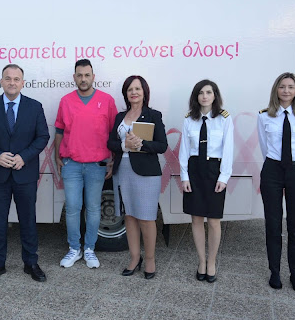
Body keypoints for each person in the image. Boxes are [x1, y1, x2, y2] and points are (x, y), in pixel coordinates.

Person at [0, 64, 50, 283]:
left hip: (24, 174)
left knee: (28, 220)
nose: (12, 82)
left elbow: (42, 137)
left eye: (16, 79)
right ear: (1, 81)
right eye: (8, 78)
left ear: (23, 83)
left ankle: (31, 263)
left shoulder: (34, 107)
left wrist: (24, 157)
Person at [55, 59, 118, 269]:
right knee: (73, 208)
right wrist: (57, 156)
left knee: (93, 208)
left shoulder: (107, 101)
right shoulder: (66, 101)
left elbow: (113, 133)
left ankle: (89, 248)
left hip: (97, 165)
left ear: (93, 77)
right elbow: (59, 130)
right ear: (74, 77)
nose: (83, 79)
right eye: (80, 75)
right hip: (71, 163)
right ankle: (74, 248)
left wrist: (112, 159)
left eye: (87, 75)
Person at [258, 72, 295, 292]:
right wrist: (276, 164)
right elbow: (264, 146)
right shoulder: (264, 116)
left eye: (291, 87)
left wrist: (294, 163)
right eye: (282, 86)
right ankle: (275, 272)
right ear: (276, 90)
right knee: (273, 225)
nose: (286, 91)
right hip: (272, 170)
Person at [107, 76, 167, 279]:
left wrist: (141, 144)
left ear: (144, 92)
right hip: (122, 170)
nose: (134, 92)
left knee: (147, 218)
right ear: (126, 93)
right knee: (130, 215)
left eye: (137, 89)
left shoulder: (153, 115)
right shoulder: (119, 116)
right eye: (130, 89)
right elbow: (110, 143)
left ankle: (149, 260)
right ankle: (134, 258)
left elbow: (162, 145)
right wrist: (124, 145)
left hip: (146, 172)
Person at [178, 80, 234, 283]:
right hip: (195, 170)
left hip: (214, 170)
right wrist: (184, 176)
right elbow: (184, 149)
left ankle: (212, 262)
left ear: (215, 95)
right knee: (196, 219)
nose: (204, 96)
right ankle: (201, 261)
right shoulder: (189, 119)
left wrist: (224, 177)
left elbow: (228, 149)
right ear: (196, 96)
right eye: (201, 92)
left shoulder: (224, 118)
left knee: (213, 220)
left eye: (209, 92)